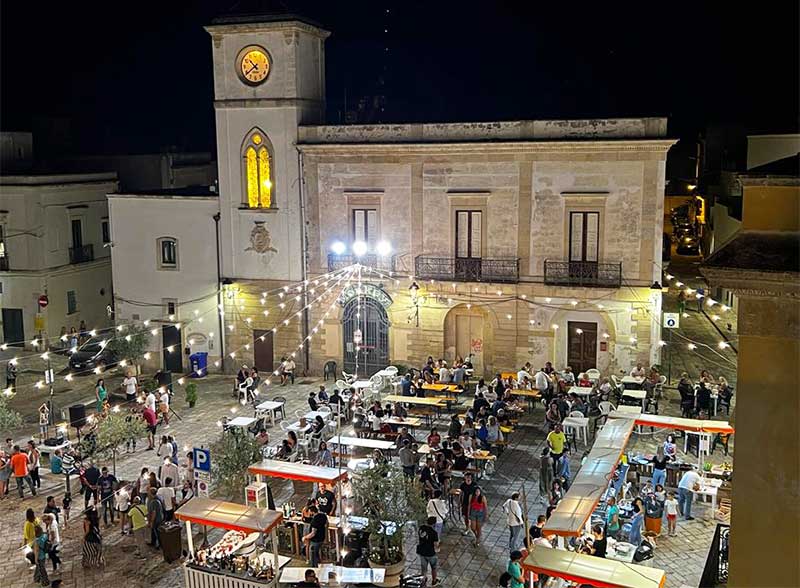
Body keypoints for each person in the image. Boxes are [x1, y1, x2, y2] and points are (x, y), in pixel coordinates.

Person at [417, 516, 441, 586]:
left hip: (422, 551)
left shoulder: (421, 528)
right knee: (433, 567)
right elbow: (436, 544)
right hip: (430, 553)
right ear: (434, 524)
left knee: (424, 569)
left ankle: (423, 582)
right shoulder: (434, 533)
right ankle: (434, 581)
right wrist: (439, 546)